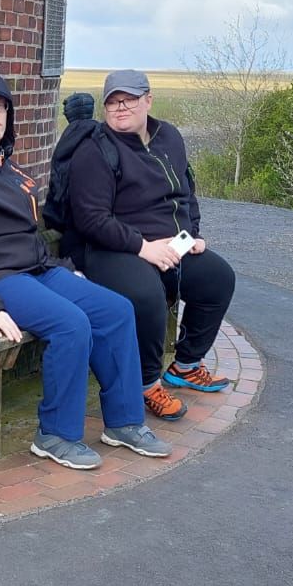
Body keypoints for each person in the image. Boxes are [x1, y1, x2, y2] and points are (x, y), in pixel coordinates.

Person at [0, 70, 171, 470]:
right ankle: (55, 434)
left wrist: (65, 269)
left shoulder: (13, 173)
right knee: (71, 324)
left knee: (117, 310)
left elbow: (31, 239)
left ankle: (124, 422)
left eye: (1, 107)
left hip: (39, 270)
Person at [64, 69, 236, 419]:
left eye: (128, 99)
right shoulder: (94, 151)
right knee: (147, 296)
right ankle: (146, 384)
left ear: (148, 100)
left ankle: (186, 365)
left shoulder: (169, 137)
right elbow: (91, 220)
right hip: (111, 249)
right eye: (112, 102)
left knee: (218, 278)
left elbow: (185, 194)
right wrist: (144, 248)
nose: (120, 107)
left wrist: (191, 236)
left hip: (170, 245)